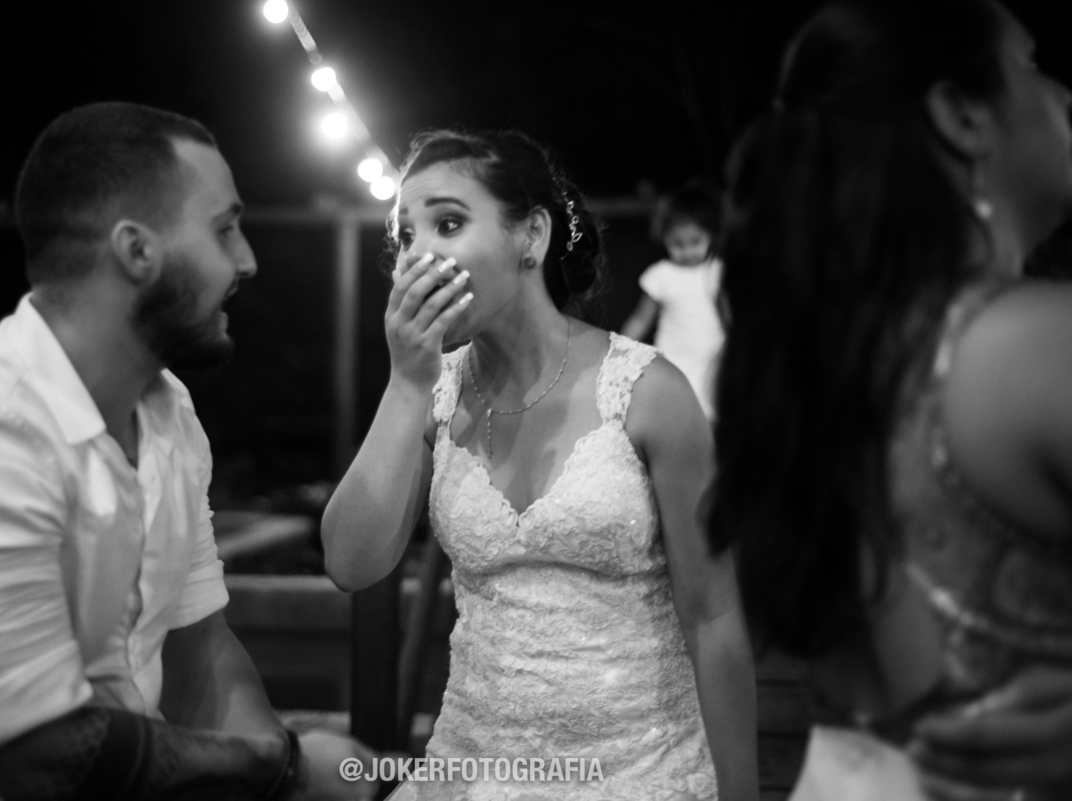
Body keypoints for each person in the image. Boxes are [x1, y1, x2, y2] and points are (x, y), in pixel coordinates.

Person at [0, 102, 375, 801]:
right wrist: (286, 769)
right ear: (137, 250)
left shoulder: (168, 410)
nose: (247, 260)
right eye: (223, 229)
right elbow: (46, 756)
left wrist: (283, 787)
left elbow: (196, 647)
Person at [321, 129, 758, 801]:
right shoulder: (430, 395)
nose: (418, 256)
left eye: (448, 223)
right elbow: (351, 564)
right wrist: (406, 383)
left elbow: (714, 615)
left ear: (532, 235)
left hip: (640, 775)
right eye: (406, 235)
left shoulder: (650, 392)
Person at [706, 1, 1072, 800]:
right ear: (963, 115)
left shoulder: (814, 368)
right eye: (1032, 68)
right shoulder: (1032, 348)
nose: (1064, 96)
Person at [620, 181, 725, 420]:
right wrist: (619, 351)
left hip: (713, 360)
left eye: (695, 241)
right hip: (673, 361)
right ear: (664, 238)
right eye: (678, 244)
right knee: (676, 416)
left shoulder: (718, 272)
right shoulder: (661, 275)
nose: (687, 251)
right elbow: (640, 320)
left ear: (710, 235)